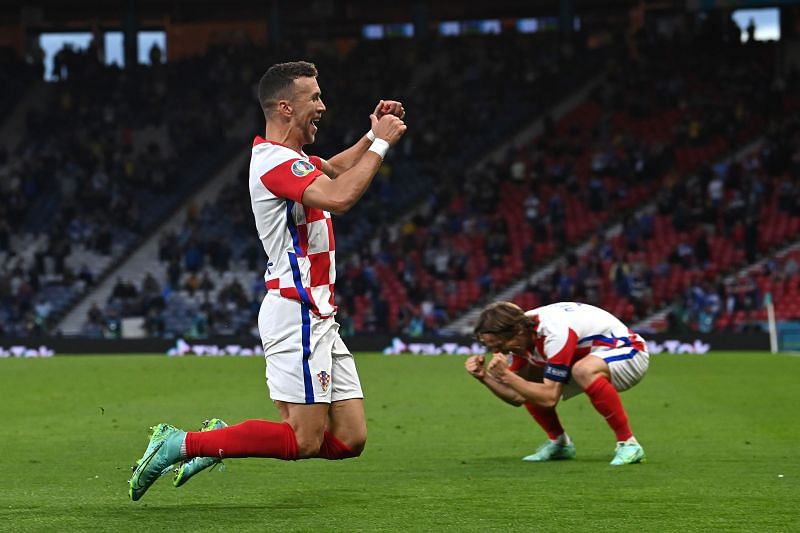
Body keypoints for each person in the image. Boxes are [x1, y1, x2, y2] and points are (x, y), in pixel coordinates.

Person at [129, 60, 407, 501]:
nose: (323, 105)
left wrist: (373, 135)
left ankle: (222, 439)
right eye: (314, 97)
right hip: (294, 310)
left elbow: (332, 169)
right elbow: (340, 196)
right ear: (284, 107)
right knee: (303, 439)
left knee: (351, 439)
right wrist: (383, 147)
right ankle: (181, 443)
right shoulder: (272, 161)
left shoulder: (294, 161)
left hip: (318, 313)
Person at [465, 301, 649, 466]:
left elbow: (549, 398)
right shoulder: (521, 334)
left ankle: (629, 443)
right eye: (490, 347)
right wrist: (484, 378)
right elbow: (517, 395)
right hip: (589, 358)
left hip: (629, 352)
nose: (496, 351)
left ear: (517, 333)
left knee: (582, 370)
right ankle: (560, 444)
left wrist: (507, 375)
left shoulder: (554, 333)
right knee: (528, 384)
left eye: (498, 345)